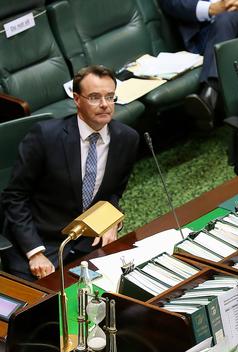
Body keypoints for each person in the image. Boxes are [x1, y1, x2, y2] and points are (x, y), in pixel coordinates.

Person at [0, 65, 140, 281]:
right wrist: (34, 252)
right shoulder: (45, 136)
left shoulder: (127, 139)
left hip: (88, 239)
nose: (105, 105)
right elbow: (14, 197)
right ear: (77, 99)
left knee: (122, 288)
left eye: (110, 97)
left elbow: (113, 193)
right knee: (42, 307)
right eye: (94, 97)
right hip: (40, 241)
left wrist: (112, 220)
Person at [159, 0, 238, 129]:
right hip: (206, 29)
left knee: (225, 20)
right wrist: (211, 8)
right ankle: (210, 98)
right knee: (224, 21)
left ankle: (209, 96)